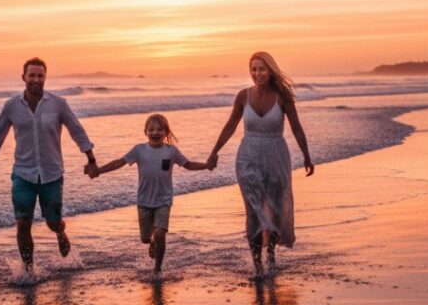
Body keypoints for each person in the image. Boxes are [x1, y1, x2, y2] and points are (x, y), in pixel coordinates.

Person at [0, 57, 98, 272]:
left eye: (40, 75)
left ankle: (60, 231)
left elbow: (76, 130)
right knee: (23, 223)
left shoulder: (58, 104)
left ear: (45, 78)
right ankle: (29, 270)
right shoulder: (11, 106)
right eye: (31, 75)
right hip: (23, 174)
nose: (35, 79)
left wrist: (90, 158)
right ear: (23, 77)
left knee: (53, 222)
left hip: (52, 174)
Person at [207, 52, 313, 276]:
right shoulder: (243, 96)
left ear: (271, 70)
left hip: (276, 157)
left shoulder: (282, 97)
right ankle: (257, 266)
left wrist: (306, 155)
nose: (257, 73)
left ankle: (271, 254)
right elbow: (230, 126)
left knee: (274, 210)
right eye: (253, 69)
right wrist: (215, 151)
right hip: (248, 157)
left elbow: (296, 127)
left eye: (261, 69)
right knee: (253, 210)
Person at [90, 114, 209, 273]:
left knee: (160, 232)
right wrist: (98, 171)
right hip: (144, 201)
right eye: (151, 129)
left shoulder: (171, 151)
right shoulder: (139, 150)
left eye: (159, 129)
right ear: (145, 131)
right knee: (145, 238)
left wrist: (206, 165)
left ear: (166, 132)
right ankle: (152, 241)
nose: (155, 132)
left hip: (163, 200)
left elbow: (188, 164)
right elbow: (120, 162)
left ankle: (157, 268)